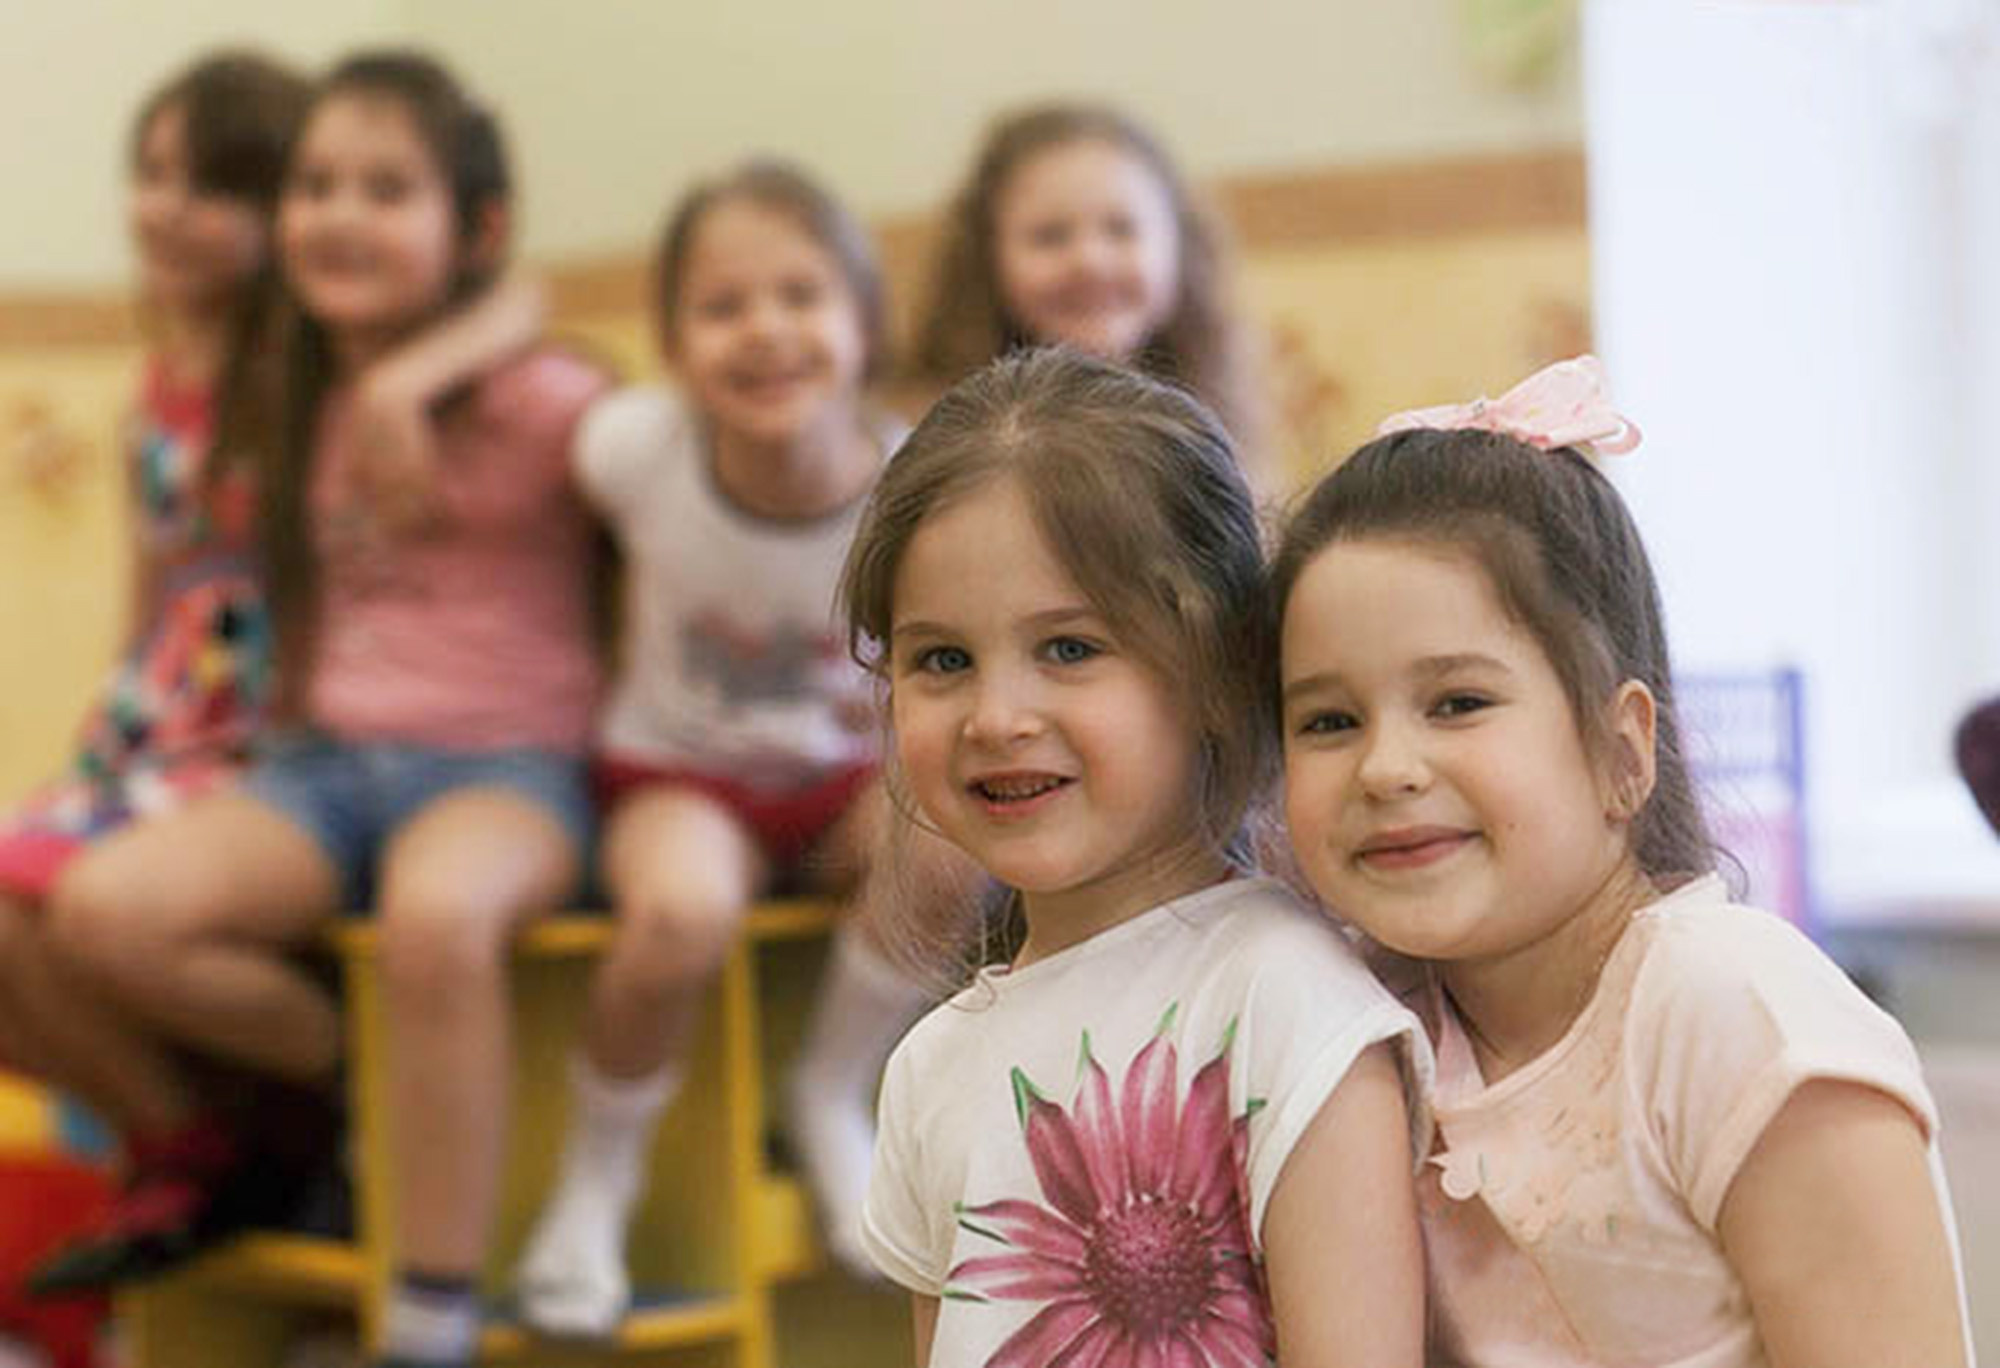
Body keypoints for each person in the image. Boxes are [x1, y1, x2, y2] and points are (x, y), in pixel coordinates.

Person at [43, 52, 608, 1368]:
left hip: (503, 773)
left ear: (472, 228)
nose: (340, 216)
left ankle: (426, 1320)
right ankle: (358, 1101)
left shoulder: (543, 396)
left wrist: (427, 376)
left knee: (437, 915)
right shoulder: (290, 387)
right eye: (314, 188)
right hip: (319, 770)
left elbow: (545, 327)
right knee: (102, 912)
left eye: (385, 190)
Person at [1271, 357, 1973, 1365]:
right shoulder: (1359, 1032)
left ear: (1621, 748)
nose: (1383, 768)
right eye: (1327, 721)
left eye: (1457, 703)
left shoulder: (1731, 1009)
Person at [843, 348, 1429, 1366]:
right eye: (942, 659)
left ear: (1208, 669)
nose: (996, 717)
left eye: (1068, 648)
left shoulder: (1284, 998)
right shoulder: (926, 1069)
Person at [510, 159, 959, 1334]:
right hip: (679, 776)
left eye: (801, 298)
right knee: (677, 913)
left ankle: (829, 1091)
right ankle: (594, 1185)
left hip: (842, 780)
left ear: (862, 323)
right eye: (721, 308)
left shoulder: (912, 476)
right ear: (670, 343)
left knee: (952, 848)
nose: (764, 332)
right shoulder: (629, 450)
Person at [906, 103, 1266, 475]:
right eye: (1050, 236)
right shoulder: (934, 444)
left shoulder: (1221, 425)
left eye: (1121, 228)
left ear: (1178, 244)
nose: (1090, 261)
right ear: (985, 256)